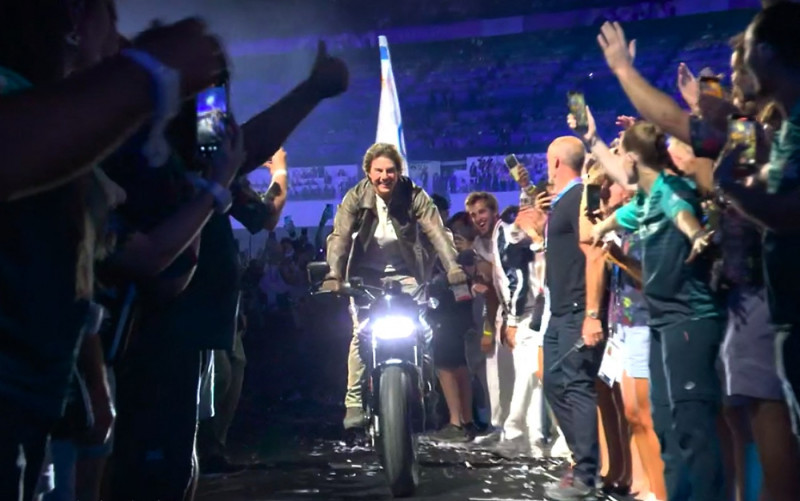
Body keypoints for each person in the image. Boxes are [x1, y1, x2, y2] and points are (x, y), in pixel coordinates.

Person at [591, 121, 723, 501]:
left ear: (632, 159)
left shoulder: (669, 190)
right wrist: (604, 226)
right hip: (662, 322)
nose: (617, 165)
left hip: (688, 319)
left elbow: (681, 212)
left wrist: (696, 234)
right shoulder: (644, 201)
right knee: (665, 424)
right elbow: (623, 216)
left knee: (693, 427)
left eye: (620, 155)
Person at [321, 143, 465, 429]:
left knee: (422, 330)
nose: (384, 176)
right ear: (368, 172)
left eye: (390, 171)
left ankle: (426, 389)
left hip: (408, 273)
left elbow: (438, 233)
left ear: (399, 173)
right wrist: (334, 274)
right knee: (361, 332)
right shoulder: (355, 198)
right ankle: (353, 401)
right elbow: (340, 237)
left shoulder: (415, 196)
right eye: (378, 171)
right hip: (366, 277)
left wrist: (454, 270)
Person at [533, 136, 605, 500]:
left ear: (556, 162)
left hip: (578, 310)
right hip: (560, 311)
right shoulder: (563, 202)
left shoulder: (580, 198)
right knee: (553, 383)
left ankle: (587, 476)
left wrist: (592, 314)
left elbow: (594, 255)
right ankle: (583, 465)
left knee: (575, 385)